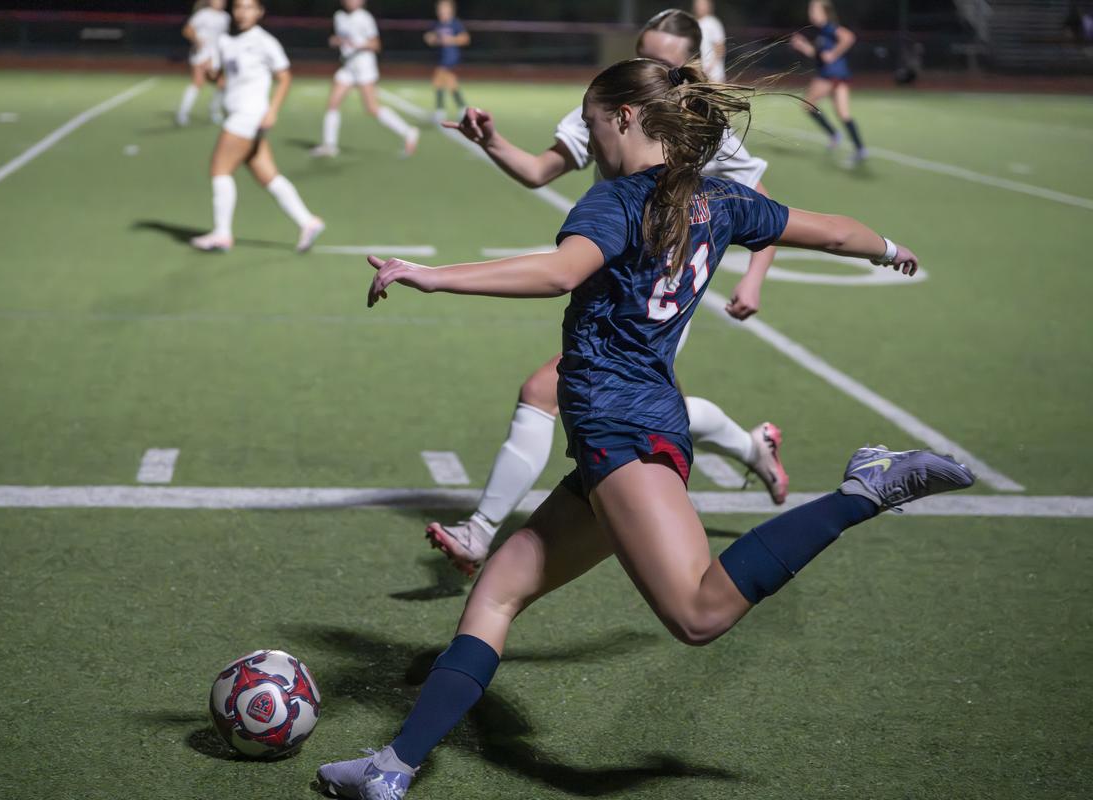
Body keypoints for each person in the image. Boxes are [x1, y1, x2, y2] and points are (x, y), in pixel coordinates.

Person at [315, 56, 975, 799]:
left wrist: (431, 274)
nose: (589, 140)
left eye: (593, 123)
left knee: (696, 614)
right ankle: (392, 768)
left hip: (621, 428)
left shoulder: (616, 203)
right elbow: (827, 231)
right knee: (498, 590)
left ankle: (865, 489)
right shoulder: (719, 199)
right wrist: (886, 248)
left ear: (625, 117)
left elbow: (560, 273)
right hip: (629, 426)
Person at [428, 9, 785, 577]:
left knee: (545, 388)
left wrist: (753, 277)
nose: (651, 70)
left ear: (688, 67)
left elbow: (763, 209)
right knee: (653, 409)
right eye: (643, 55)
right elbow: (541, 169)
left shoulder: (694, 123)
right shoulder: (613, 101)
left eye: (665, 62)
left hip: (656, 295)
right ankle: (750, 446)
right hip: (615, 285)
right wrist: (492, 141)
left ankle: (480, 534)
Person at [190, 0, 325, 254]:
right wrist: (208, 72)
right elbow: (220, 80)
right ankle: (308, 222)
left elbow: (285, 77)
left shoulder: (265, 41)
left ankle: (222, 234)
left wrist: (272, 110)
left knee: (219, 169)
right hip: (239, 114)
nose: (243, 12)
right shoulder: (226, 41)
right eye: (239, 7)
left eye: (249, 7)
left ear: (260, 11)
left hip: (248, 116)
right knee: (268, 176)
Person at [311, 0, 420, 158]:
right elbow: (340, 39)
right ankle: (329, 146)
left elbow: (376, 45)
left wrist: (357, 45)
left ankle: (409, 132)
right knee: (332, 103)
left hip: (364, 66)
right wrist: (336, 41)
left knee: (372, 108)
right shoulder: (339, 16)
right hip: (348, 66)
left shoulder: (365, 18)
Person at [790, 0, 867, 162]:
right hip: (839, 75)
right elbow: (818, 55)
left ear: (824, 12)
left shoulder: (829, 27)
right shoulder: (821, 33)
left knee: (808, 104)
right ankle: (860, 149)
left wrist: (834, 54)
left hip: (830, 74)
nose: (811, 14)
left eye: (814, 10)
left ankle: (834, 134)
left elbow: (848, 37)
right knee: (843, 114)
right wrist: (803, 46)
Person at [176, 0, 230, 127]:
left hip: (215, 55)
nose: (220, 2)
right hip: (201, 54)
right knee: (198, 82)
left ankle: (214, 111)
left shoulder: (225, 17)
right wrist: (197, 41)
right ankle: (182, 113)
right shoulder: (202, 14)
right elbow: (187, 30)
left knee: (222, 85)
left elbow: (223, 37)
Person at [424, 0, 471, 123]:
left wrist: (451, 39)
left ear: (451, 10)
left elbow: (465, 39)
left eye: (444, 9)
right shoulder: (438, 24)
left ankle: (440, 112)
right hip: (441, 58)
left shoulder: (455, 24)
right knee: (451, 83)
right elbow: (432, 38)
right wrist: (430, 38)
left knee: (437, 81)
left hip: (451, 58)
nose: (441, 12)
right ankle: (463, 109)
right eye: (439, 9)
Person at [693, 0, 727, 82]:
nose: (700, 7)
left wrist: (710, 67)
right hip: (698, 72)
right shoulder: (694, 22)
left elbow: (720, 48)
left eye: (703, 5)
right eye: (698, 5)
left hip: (713, 72)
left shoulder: (713, 23)